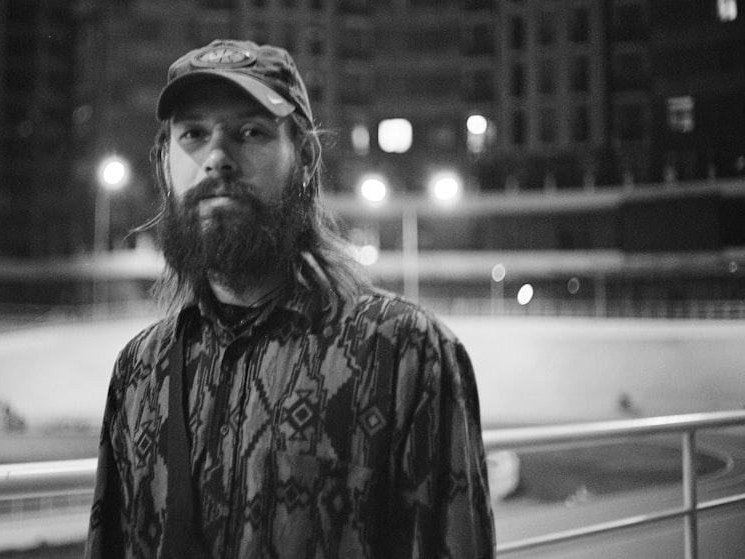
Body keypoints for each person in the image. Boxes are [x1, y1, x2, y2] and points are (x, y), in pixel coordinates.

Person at [86, 40, 495, 558]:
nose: (217, 159)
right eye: (192, 135)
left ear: (304, 156)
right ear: (165, 162)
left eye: (250, 133)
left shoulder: (407, 355)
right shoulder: (138, 374)